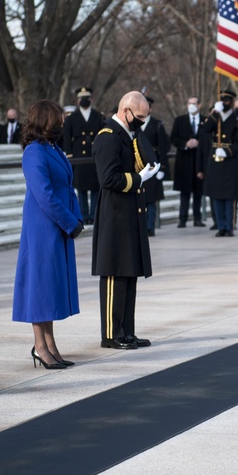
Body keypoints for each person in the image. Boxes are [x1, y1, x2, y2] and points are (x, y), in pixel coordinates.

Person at [13, 100, 82, 370]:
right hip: (43, 227)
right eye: (59, 118)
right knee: (40, 286)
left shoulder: (52, 148)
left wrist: (76, 218)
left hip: (58, 225)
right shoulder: (34, 152)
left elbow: (67, 186)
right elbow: (44, 194)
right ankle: (40, 346)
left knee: (50, 287)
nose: (63, 123)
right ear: (46, 120)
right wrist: (68, 221)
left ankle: (50, 344)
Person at [92, 91, 158, 350]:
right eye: (139, 117)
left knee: (129, 274)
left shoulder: (129, 135)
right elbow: (108, 179)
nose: (142, 122)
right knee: (114, 275)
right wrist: (140, 178)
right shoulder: (108, 137)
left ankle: (126, 330)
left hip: (130, 212)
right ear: (126, 111)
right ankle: (111, 333)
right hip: (115, 215)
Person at [200, 89, 238, 236]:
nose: (224, 103)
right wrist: (214, 114)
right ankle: (220, 226)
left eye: (227, 101)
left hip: (229, 160)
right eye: (222, 101)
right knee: (216, 194)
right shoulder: (216, 117)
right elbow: (203, 131)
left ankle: (229, 226)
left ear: (232, 103)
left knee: (229, 195)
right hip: (215, 159)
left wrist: (227, 151)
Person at [62, 86, 105, 224]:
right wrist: (69, 156)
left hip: (93, 156)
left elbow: (103, 136)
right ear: (78, 100)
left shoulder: (98, 116)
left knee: (94, 188)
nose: (84, 101)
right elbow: (67, 137)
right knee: (80, 188)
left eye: (87, 98)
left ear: (91, 100)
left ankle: (93, 215)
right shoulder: (71, 118)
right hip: (78, 156)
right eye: (82, 98)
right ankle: (83, 215)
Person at [169, 96, 205, 227]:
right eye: (189, 103)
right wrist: (185, 144)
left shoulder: (205, 120)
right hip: (184, 161)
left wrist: (199, 143)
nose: (191, 105)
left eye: (194, 103)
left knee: (198, 192)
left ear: (199, 105)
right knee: (184, 193)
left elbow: (209, 139)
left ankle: (197, 218)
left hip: (198, 161)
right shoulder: (180, 120)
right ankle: (182, 219)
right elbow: (173, 138)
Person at [140, 96, 170, 236]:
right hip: (139, 165)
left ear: (150, 109)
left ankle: (150, 227)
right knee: (141, 199)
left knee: (151, 200)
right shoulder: (135, 124)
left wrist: (162, 167)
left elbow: (163, 147)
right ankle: (141, 226)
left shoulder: (157, 124)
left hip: (153, 165)